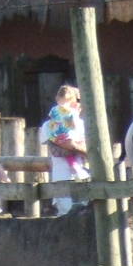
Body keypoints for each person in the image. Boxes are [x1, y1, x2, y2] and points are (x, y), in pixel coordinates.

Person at [44, 83, 89, 215]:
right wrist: (79, 148)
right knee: (67, 215)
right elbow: (63, 145)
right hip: (63, 180)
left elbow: (86, 146)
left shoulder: (82, 124)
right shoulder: (49, 125)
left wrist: (77, 147)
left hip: (81, 176)